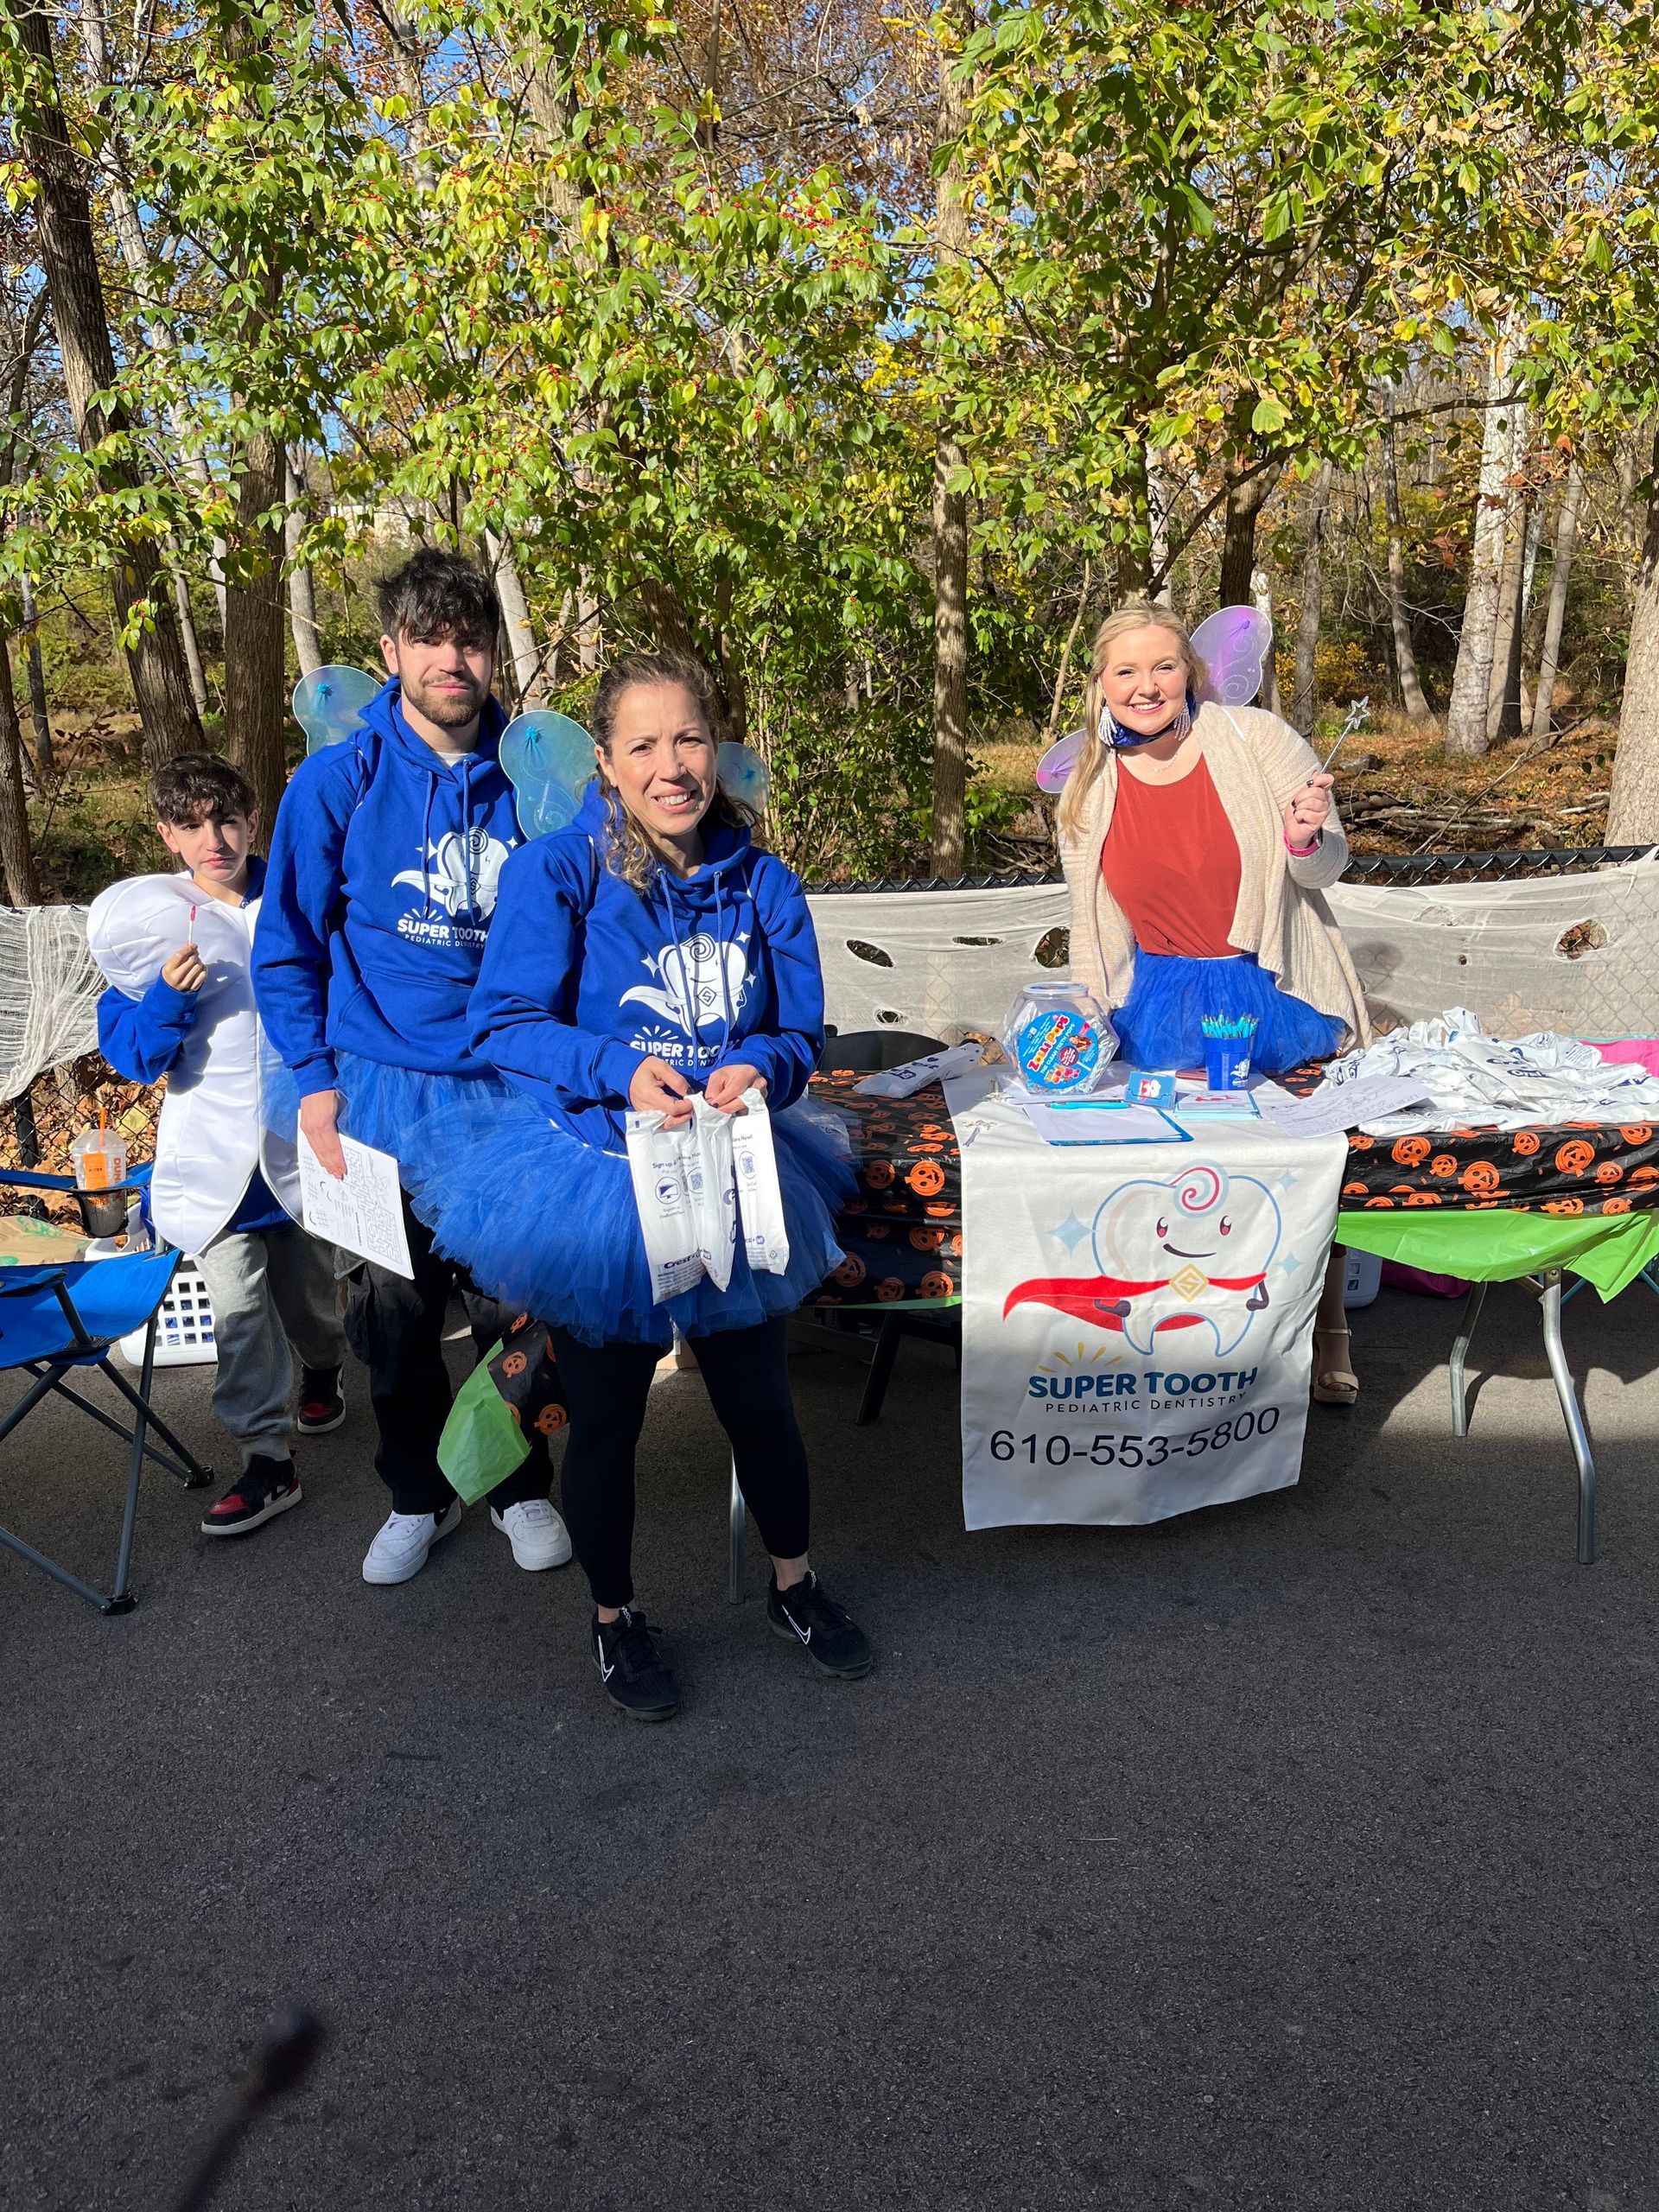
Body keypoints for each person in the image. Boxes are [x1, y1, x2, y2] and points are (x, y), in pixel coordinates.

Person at [401, 649, 871, 1721]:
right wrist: (618, 1071)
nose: (673, 766)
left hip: (740, 1169)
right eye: (645, 745)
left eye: (690, 739)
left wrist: (770, 1064)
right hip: (601, 1181)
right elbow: (505, 1022)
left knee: (762, 1405)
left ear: (719, 748)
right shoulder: (558, 873)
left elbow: (800, 1030)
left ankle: (793, 1587)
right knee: (609, 1423)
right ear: (605, 764)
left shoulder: (766, 879)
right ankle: (615, 1617)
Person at [251, 548, 571, 1584]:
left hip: (505, 1089)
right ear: (391, 650)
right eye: (429, 637)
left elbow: (580, 930)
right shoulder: (335, 782)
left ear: (491, 654)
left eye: (470, 638)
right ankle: (417, 1496)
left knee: (511, 1310)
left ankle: (519, 1488)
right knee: (395, 1317)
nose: (452, 657)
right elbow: (289, 942)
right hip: (376, 1083)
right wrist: (311, 1077)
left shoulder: (539, 783)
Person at [1055, 601, 1371, 1404]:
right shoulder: (1087, 785)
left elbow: (1321, 866)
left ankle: (1329, 1320)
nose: (1146, 685)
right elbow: (1090, 920)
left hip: (1269, 983)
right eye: (1125, 671)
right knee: (1173, 1166)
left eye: (1164, 666)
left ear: (1191, 675)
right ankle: (1188, 1332)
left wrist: (1307, 838)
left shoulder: (1255, 738)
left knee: (1304, 1158)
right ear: (1100, 686)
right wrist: (1087, 1013)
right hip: (1157, 994)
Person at [87, 753, 349, 1536]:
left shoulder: (304, 896)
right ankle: (265, 1459)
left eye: (228, 819)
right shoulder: (149, 926)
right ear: (165, 833)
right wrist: (166, 996)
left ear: (253, 818)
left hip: (303, 1143)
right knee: (238, 1310)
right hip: (214, 1160)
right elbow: (132, 1055)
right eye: (194, 825)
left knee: (308, 1293)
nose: (215, 839)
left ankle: (326, 1367)